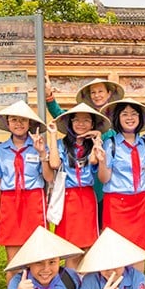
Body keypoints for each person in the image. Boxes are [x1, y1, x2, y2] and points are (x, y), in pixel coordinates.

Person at [0, 100, 53, 264]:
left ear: (29, 123)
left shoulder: (39, 146)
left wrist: (42, 154)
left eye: (23, 120)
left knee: (37, 255)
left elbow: (49, 178)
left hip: (33, 201)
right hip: (9, 203)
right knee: (13, 259)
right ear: (7, 123)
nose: (19, 124)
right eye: (14, 120)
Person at [46, 103, 110, 269]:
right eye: (76, 120)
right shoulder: (61, 144)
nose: (81, 124)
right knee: (71, 248)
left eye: (86, 120)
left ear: (92, 124)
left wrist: (97, 141)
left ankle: (86, 286)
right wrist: (52, 135)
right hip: (69, 199)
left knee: (89, 246)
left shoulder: (93, 146)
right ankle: (71, 287)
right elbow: (54, 163)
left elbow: (94, 161)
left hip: (88, 198)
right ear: (70, 123)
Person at [97, 98, 145, 263]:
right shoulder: (110, 144)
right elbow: (104, 178)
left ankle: (138, 286)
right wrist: (102, 160)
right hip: (117, 203)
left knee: (139, 248)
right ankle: (118, 285)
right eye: (125, 114)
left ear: (140, 118)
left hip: (141, 202)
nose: (129, 118)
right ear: (118, 118)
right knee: (116, 247)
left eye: (134, 114)